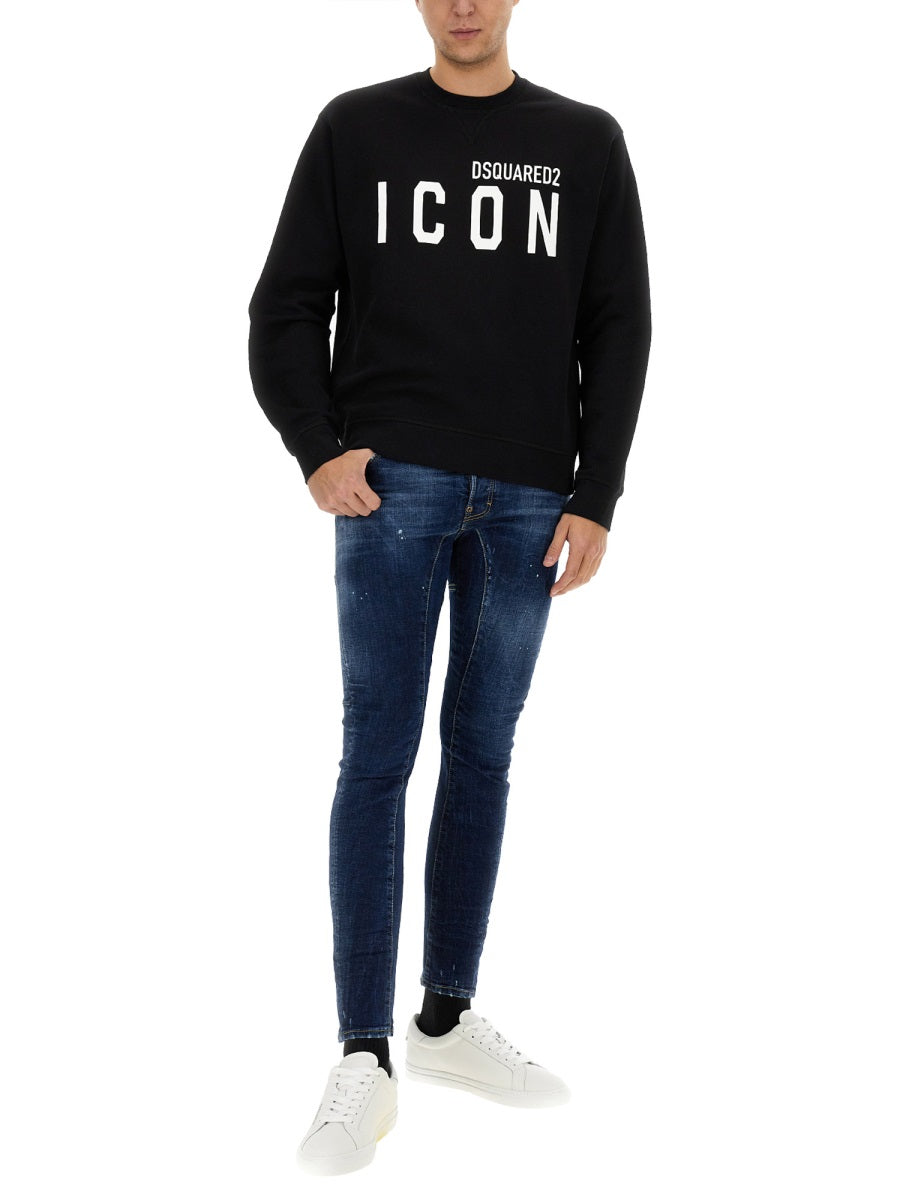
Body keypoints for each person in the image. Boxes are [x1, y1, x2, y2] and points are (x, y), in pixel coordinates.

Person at [247, 0, 651, 1176]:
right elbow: (284, 306)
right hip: (393, 487)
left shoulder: (585, 140)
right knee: (377, 757)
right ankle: (363, 1054)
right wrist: (316, 447)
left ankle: (444, 1016)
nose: (464, 5)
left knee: (482, 753)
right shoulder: (357, 128)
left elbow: (618, 324)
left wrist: (598, 493)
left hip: (530, 496)